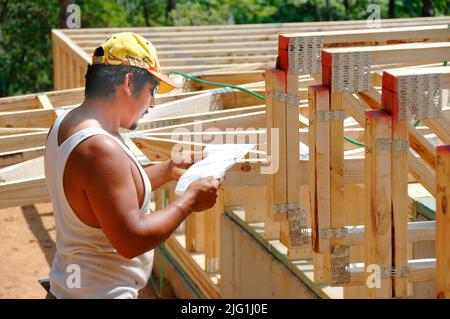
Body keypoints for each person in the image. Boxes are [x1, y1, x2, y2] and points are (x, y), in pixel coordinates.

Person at [44, 32, 222, 299]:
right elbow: (131, 240)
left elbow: (106, 196)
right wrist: (190, 201)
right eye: (152, 90)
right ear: (128, 82)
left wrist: (167, 169)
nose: (153, 103)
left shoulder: (67, 122)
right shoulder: (99, 148)